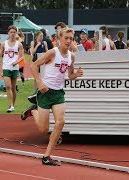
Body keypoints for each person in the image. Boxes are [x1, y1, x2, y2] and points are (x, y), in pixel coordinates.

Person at [20, 27, 84, 166]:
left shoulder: (71, 56)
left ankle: (47, 156)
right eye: (66, 38)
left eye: (71, 38)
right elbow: (33, 66)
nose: (68, 41)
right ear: (59, 39)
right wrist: (39, 82)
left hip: (58, 93)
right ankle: (33, 111)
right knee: (43, 130)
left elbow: (70, 75)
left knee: (60, 123)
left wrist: (76, 75)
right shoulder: (52, 53)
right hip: (45, 93)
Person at [0, 25, 24, 112]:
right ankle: (11, 105)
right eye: (11, 32)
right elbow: (0, 55)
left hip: (15, 68)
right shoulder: (4, 44)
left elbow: (22, 57)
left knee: (13, 87)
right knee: (8, 86)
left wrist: (16, 62)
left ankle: (12, 104)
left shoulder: (19, 44)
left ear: (16, 33)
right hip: (6, 67)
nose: (12, 34)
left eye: (14, 32)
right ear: (8, 33)